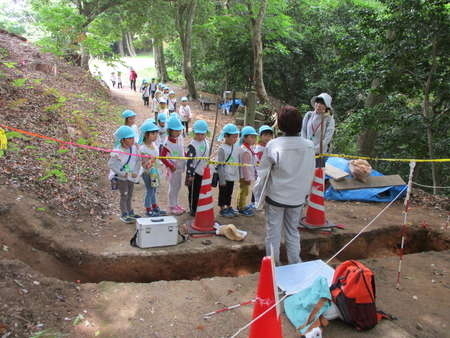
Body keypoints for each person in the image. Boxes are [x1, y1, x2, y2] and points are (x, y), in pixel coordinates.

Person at [254, 105, 315, 265]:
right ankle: (295, 263)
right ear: (300, 124)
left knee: (273, 233)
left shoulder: (273, 145)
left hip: (276, 197)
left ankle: (273, 266)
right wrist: (305, 194)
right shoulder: (309, 146)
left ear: (280, 125)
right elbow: (310, 172)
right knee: (292, 231)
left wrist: (258, 195)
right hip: (297, 198)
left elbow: (263, 173)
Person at [108, 126, 142, 223]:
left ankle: (130, 212)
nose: (132, 140)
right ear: (122, 140)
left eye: (133, 137)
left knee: (130, 194)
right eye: (129, 138)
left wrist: (136, 171)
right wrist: (122, 173)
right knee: (124, 194)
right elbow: (111, 164)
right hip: (121, 178)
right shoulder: (117, 151)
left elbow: (138, 160)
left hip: (131, 176)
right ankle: (124, 214)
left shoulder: (134, 148)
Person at [139, 121, 167, 217]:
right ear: (146, 134)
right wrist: (151, 160)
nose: (155, 135)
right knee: (150, 190)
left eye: (156, 133)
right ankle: (148, 208)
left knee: (154, 189)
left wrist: (158, 162)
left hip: (155, 172)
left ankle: (155, 206)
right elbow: (145, 165)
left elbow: (156, 158)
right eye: (152, 133)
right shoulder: (142, 149)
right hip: (148, 173)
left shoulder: (154, 145)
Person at [160, 116, 186, 216]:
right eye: (175, 131)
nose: (178, 132)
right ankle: (172, 206)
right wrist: (170, 166)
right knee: (173, 187)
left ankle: (176, 204)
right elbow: (162, 157)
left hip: (180, 167)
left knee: (178, 186)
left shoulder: (180, 138)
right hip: (173, 169)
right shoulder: (167, 143)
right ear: (169, 130)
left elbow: (182, 150)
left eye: (179, 130)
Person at [300, 93, 335, 167]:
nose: (318, 105)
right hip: (306, 151)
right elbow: (303, 131)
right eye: (317, 102)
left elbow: (327, 139)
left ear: (326, 106)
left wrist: (314, 150)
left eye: (322, 103)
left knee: (318, 176)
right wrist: (305, 146)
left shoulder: (329, 119)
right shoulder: (309, 115)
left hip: (320, 154)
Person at [185, 120, 210, 216]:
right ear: (194, 133)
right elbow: (190, 162)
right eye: (198, 134)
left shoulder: (206, 142)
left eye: (202, 134)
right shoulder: (192, 145)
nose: (200, 136)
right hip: (194, 173)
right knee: (193, 193)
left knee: (201, 191)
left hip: (203, 172)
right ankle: (193, 209)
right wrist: (190, 175)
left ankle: (200, 207)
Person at [216, 123, 241, 218]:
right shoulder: (222, 149)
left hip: (232, 174)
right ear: (226, 136)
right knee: (223, 192)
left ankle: (228, 205)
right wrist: (221, 179)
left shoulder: (235, 146)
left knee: (230, 191)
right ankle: (222, 208)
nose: (235, 139)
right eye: (233, 137)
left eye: (236, 137)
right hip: (224, 176)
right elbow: (220, 165)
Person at [251, 125, 274, 208]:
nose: (267, 137)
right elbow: (257, 161)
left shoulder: (270, 147)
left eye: (269, 135)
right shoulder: (258, 148)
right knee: (257, 186)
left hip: (266, 171)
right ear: (260, 136)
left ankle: (261, 201)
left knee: (264, 187)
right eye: (265, 135)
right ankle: (253, 202)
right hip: (259, 172)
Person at [237, 126, 258, 217]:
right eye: (251, 137)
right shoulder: (244, 150)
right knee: (244, 191)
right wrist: (247, 178)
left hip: (247, 174)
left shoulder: (248, 148)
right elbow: (245, 167)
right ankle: (241, 207)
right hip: (245, 176)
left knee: (244, 190)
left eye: (254, 137)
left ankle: (242, 205)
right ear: (244, 137)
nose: (254, 139)